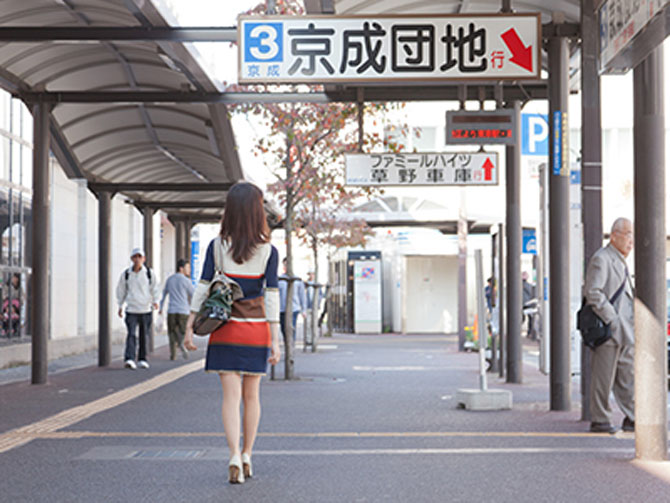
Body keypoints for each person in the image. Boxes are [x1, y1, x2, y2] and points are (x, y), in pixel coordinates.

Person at [183, 182, 280, 484]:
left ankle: (234, 455)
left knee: (230, 397)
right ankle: (248, 454)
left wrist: (190, 325)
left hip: (225, 328)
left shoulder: (217, 246)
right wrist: (275, 340)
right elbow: (272, 296)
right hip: (256, 329)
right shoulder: (269, 251)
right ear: (256, 211)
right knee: (252, 396)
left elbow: (203, 286)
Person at [584, 217, 635, 434]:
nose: (631, 241)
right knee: (603, 378)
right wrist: (612, 319)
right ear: (614, 236)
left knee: (627, 376)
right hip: (609, 330)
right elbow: (593, 292)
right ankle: (600, 419)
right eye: (627, 234)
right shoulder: (602, 258)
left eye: (632, 235)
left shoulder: (619, 261)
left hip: (625, 331)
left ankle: (633, 416)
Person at [116, 248, 160, 370]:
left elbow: (155, 288)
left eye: (140, 257)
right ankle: (129, 358)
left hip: (146, 309)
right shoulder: (126, 274)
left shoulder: (149, 273)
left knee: (144, 336)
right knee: (131, 334)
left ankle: (142, 359)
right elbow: (121, 290)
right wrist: (120, 305)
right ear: (131, 259)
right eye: (135, 257)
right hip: (131, 309)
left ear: (144, 259)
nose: (137, 259)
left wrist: (156, 301)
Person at [159, 258, 194, 361]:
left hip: (172, 310)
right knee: (182, 331)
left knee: (171, 333)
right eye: (187, 267)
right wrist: (194, 309)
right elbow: (193, 294)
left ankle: (173, 354)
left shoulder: (170, 279)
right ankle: (181, 344)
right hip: (184, 310)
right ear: (181, 268)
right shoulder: (187, 281)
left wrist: (161, 308)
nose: (189, 270)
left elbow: (164, 294)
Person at [278, 258, 307, 343]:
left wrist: (303, 309)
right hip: (282, 309)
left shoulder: (297, 280)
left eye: (288, 264)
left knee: (291, 327)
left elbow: (302, 295)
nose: (286, 266)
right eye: (285, 264)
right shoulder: (279, 280)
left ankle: (291, 344)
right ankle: (287, 344)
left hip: (294, 308)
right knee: (283, 328)